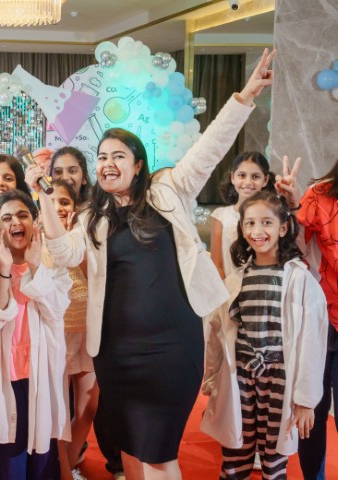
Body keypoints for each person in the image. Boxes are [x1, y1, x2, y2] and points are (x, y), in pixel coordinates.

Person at [34, 48, 276, 479]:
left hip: (172, 349)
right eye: (102, 157)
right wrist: (45, 196)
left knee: (160, 452)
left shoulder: (169, 191)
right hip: (115, 352)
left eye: (118, 156)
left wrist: (245, 96)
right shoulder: (93, 217)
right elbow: (65, 253)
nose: (108, 164)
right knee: (130, 444)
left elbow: (211, 147)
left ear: (138, 164)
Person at [201, 191, 328, 479]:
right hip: (241, 378)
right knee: (235, 451)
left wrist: (306, 399)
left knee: (274, 456)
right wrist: (211, 379)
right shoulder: (237, 279)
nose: (257, 231)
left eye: (266, 223)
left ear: (283, 228)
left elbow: (313, 342)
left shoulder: (300, 279)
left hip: (279, 380)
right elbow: (217, 333)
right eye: (250, 223)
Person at [0, 190, 71, 480]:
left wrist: (34, 266)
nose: (16, 223)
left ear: (35, 221)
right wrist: (5, 268)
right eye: (7, 218)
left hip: (40, 368)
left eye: (23, 215)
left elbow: (56, 310)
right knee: (10, 450)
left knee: (43, 447)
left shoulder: (51, 264)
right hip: (7, 370)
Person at [48, 181, 98, 480]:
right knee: (59, 413)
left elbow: (95, 279)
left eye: (65, 202)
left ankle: (68, 461)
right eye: (52, 202)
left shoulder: (85, 237)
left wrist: (71, 241)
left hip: (88, 333)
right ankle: (64, 473)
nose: (58, 208)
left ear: (76, 207)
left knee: (89, 407)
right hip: (56, 336)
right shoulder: (37, 240)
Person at [296, 159, 338, 480]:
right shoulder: (318, 195)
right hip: (319, 317)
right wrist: (288, 203)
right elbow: (293, 246)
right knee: (312, 409)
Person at [210, 151, 274, 279]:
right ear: (233, 177)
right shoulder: (221, 215)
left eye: (255, 177)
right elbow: (216, 264)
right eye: (242, 175)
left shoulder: (272, 217)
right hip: (228, 286)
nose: (248, 182)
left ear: (265, 180)